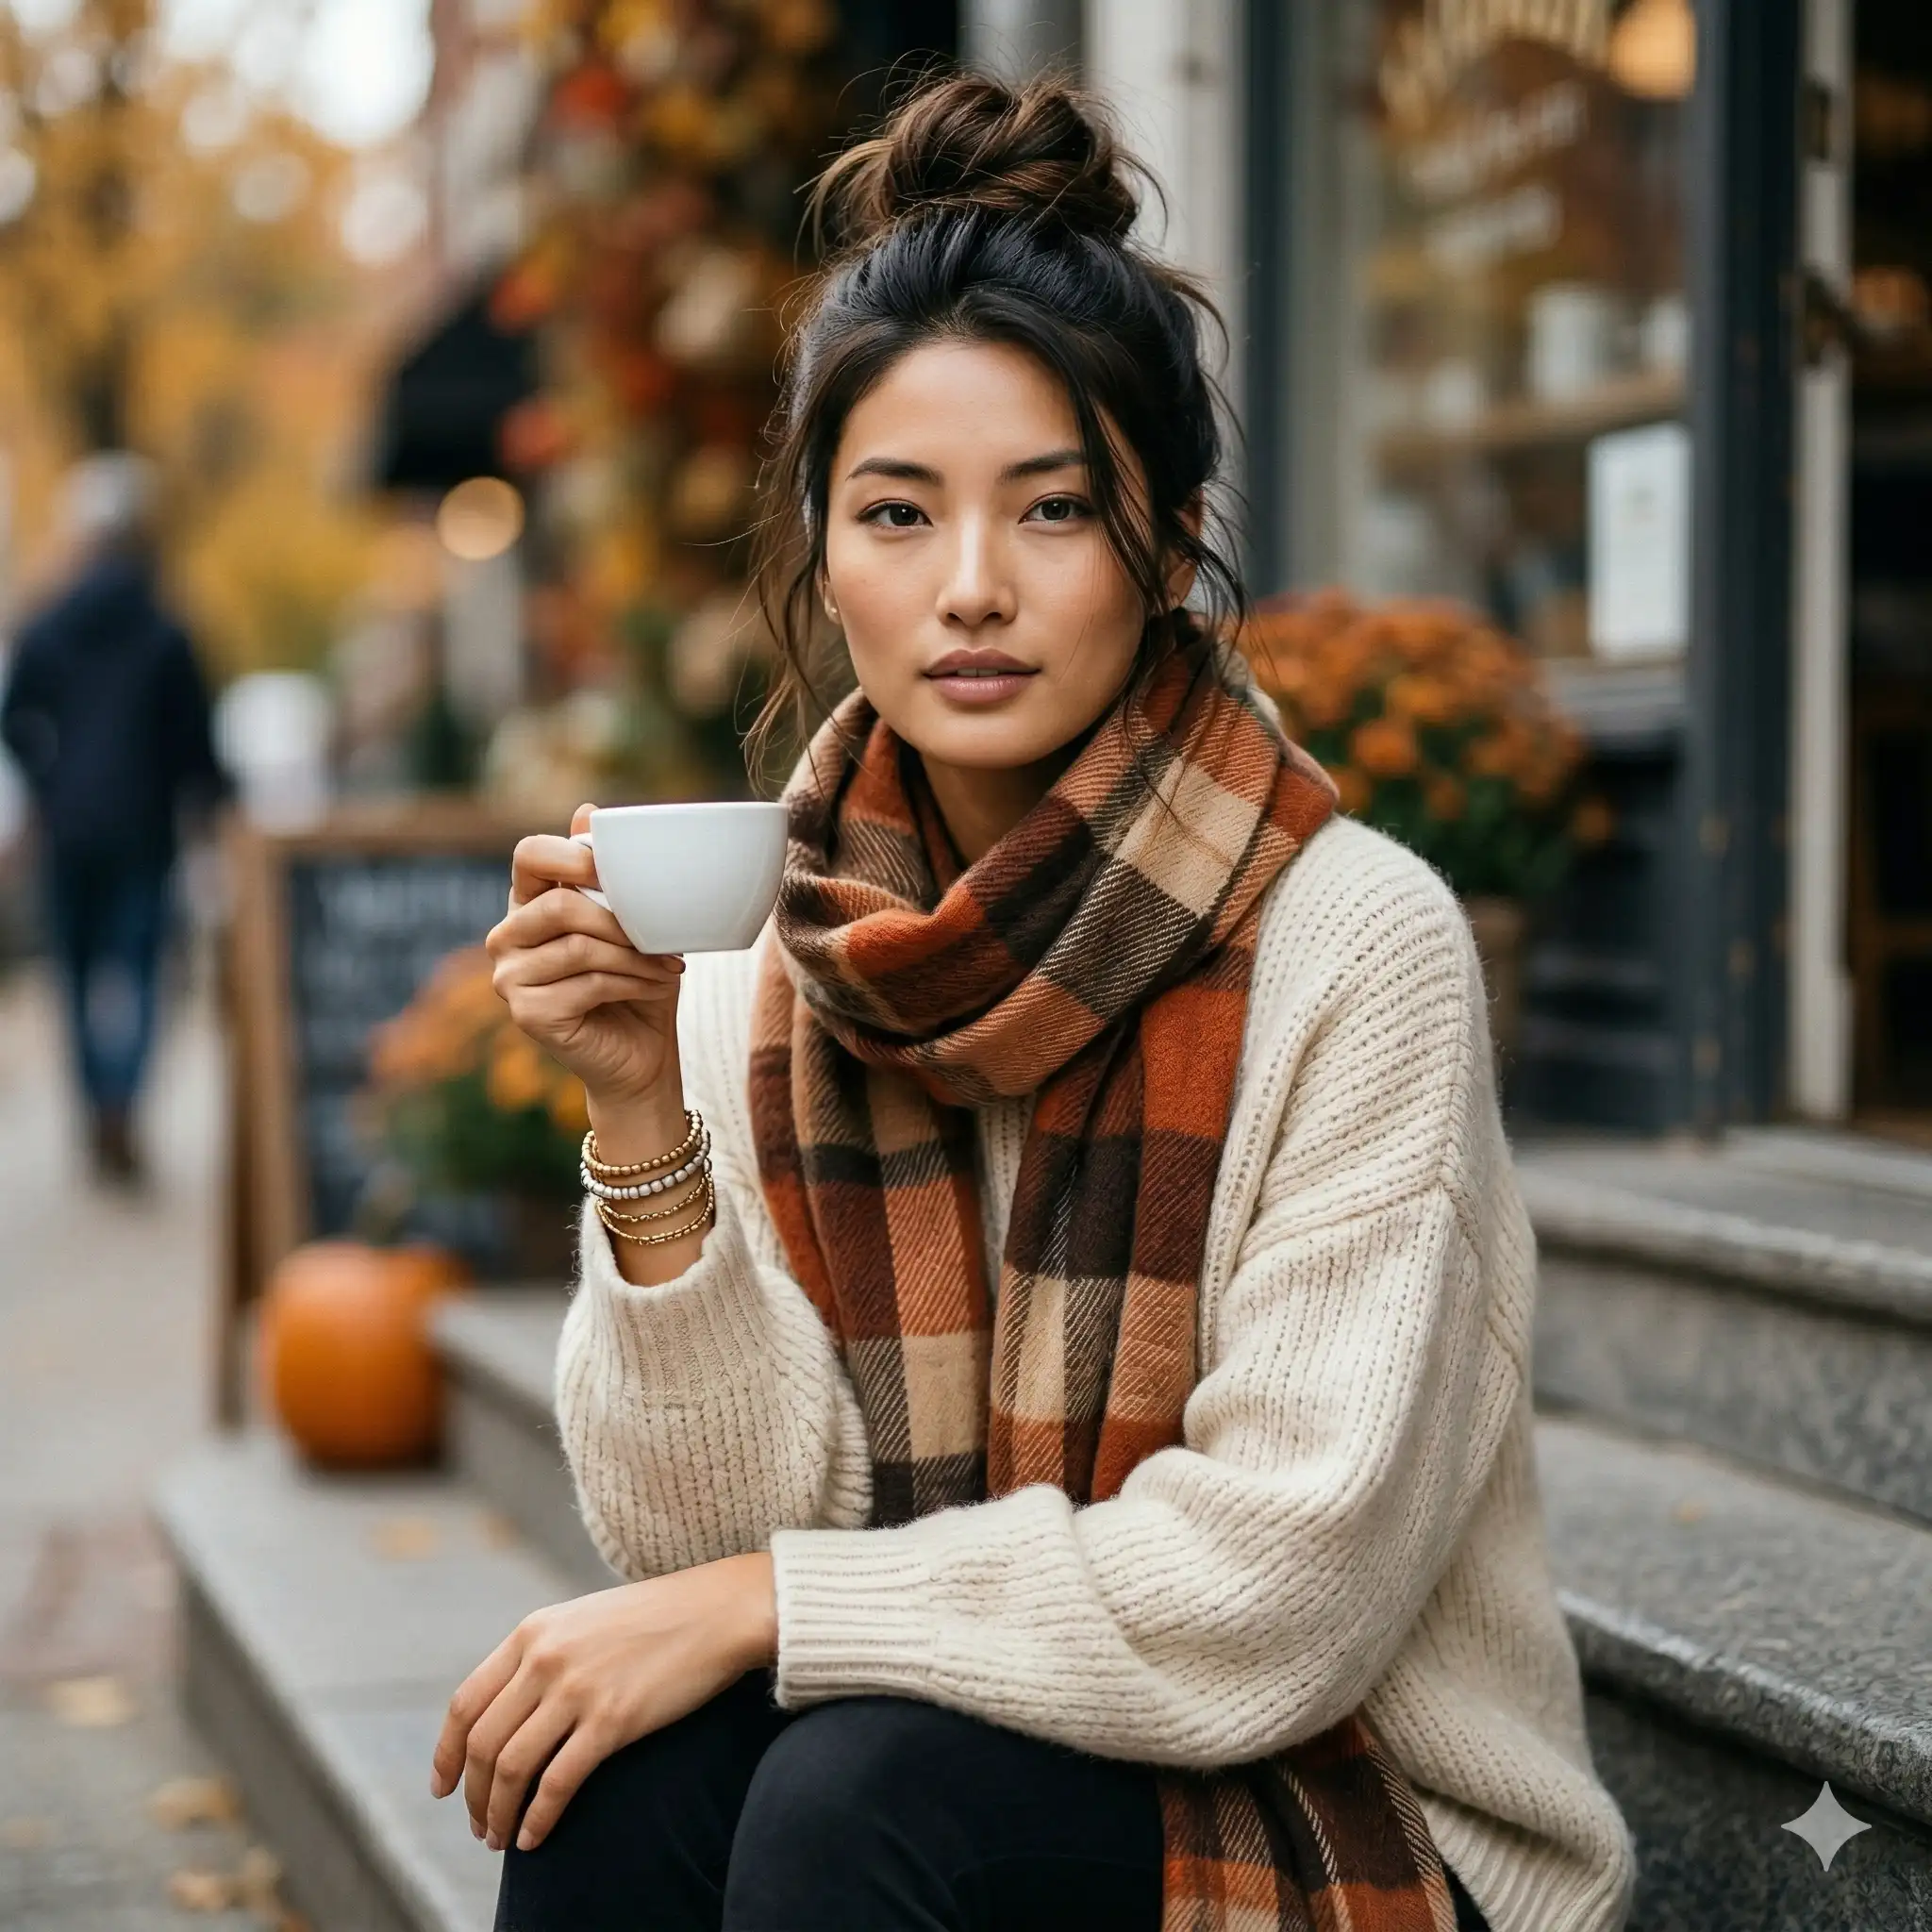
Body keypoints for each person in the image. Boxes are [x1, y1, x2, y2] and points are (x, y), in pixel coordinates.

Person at [436, 74, 1638, 1932]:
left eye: (1050, 509)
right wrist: (633, 1116)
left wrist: (776, 1604)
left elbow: (1277, 1583)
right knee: (620, 1784)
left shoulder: (1349, 942)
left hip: (1356, 1816)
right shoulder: (761, 964)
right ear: (822, 560)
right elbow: (702, 1541)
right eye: (899, 514)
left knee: (856, 1793)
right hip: (939, 1763)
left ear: (1164, 545)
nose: (972, 590)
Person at [0, 454, 226, 1181]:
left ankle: (96, 1101)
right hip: (144, 828)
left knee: (72, 977)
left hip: (69, 827)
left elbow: (15, 720)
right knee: (139, 972)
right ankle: (123, 1095)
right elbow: (196, 740)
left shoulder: (46, 624)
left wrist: (48, 779)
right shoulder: (167, 630)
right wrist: (212, 808)